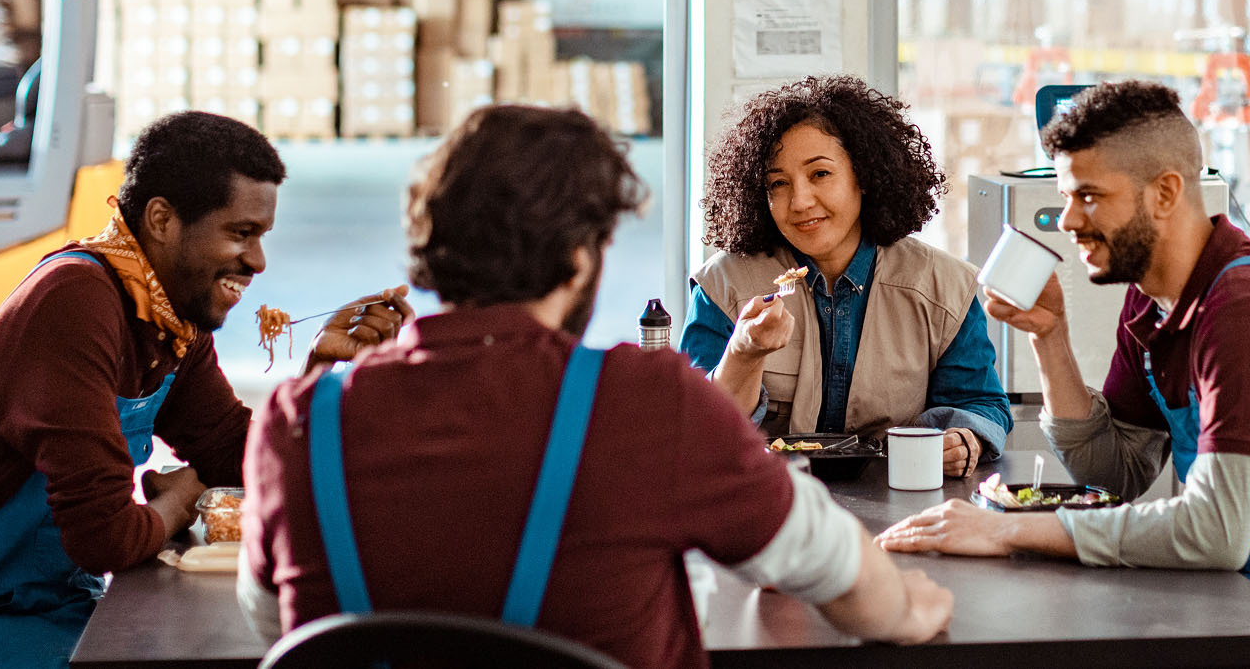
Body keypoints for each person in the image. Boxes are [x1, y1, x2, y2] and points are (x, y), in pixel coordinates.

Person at [239, 104, 954, 668]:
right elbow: (832, 565)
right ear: (581, 258)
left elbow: (276, 626)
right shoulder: (645, 404)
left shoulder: (296, 422)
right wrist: (911, 608)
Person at [877, 81, 1250, 669]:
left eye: (1088, 196)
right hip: (1240, 594)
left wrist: (1007, 532)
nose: (1067, 220)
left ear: (1165, 192)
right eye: (1066, 196)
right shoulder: (1150, 299)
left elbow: (1215, 529)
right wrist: (1049, 338)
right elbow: (1117, 472)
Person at [0, 111, 409, 669]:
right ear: (161, 219)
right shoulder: (74, 303)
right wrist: (179, 501)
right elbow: (107, 538)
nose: (257, 261)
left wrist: (319, 374)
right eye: (240, 233)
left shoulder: (167, 318)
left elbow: (234, 454)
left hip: (50, 605)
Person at [681, 75, 1012, 476]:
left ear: (865, 176)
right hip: (765, 505)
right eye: (778, 183)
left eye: (820, 174)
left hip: (901, 504)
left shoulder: (943, 286)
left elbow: (980, 404)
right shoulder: (723, 286)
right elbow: (694, 427)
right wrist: (744, 355)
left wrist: (964, 439)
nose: (800, 201)